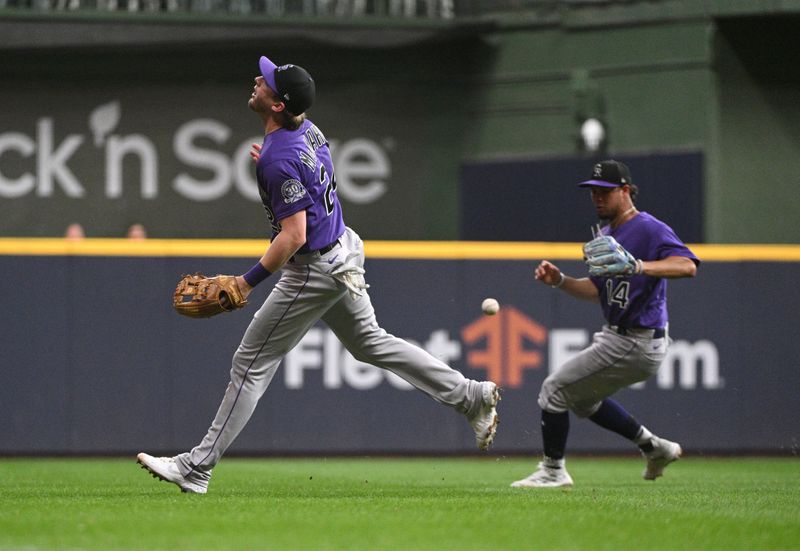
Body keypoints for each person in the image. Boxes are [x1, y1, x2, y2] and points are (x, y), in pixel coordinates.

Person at [137, 55, 500, 494]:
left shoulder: (278, 157)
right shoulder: (306, 131)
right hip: (342, 248)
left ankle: (197, 467)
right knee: (371, 343)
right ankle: (471, 397)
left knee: (250, 364)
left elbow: (292, 235)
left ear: (276, 106)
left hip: (315, 267)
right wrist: (279, 158)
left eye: (267, 82)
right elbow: (305, 143)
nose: (258, 80)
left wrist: (244, 282)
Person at [511, 160, 699, 488]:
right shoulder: (608, 234)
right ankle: (654, 448)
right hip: (617, 336)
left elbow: (687, 265)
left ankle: (553, 471)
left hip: (636, 339)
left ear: (625, 191)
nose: (597, 198)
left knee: (553, 390)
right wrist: (560, 281)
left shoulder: (649, 228)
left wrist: (640, 266)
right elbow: (595, 291)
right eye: (593, 192)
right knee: (582, 400)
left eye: (605, 192)